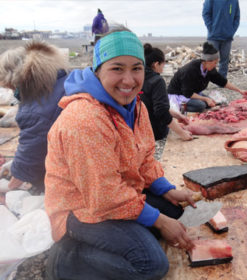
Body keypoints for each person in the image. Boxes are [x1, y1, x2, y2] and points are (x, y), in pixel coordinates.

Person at [45, 27, 196, 280]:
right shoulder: (85, 119)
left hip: (119, 191)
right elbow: (103, 196)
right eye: (117, 68)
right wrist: (157, 221)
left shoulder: (136, 107)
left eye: (136, 68)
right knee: (151, 264)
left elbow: (146, 156)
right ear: (98, 69)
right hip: (80, 207)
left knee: (175, 212)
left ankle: (127, 232)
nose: (129, 80)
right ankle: (67, 259)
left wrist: (165, 188)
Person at [0, 41, 68, 193]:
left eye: (10, 86)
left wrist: (10, 184)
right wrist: (15, 164)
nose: (11, 91)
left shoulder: (35, 109)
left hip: (70, 174)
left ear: (14, 80)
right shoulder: (59, 80)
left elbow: (31, 156)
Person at [167, 42, 247, 113]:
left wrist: (240, 90)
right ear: (206, 61)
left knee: (212, 102)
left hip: (193, 93)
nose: (216, 65)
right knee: (201, 105)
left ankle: (199, 106)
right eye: (214, 62)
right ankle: (178, 109)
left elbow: (222, 82)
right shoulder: (190, 71)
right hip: (179, 94)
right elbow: (187, 93)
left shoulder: (209, 69)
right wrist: (205, 99)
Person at [141, 43, 192, 141]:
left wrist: (178, 115)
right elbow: (161, 111)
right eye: (163, 64)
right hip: (154, 132)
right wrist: (182, 133)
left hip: (139, 131)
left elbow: (154, 106)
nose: (163, 67)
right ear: (156, 64)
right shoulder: (157, 81)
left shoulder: (138, 78)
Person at [202, 0, 240, 78]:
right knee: (209, 59)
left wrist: (232, 31)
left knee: (224, 61)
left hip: (227, 37)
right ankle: (204, 80)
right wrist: (211, 29)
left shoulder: (234, 1)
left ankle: (221, 81)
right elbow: (205, 13)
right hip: (213, 37)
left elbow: (237, 17)